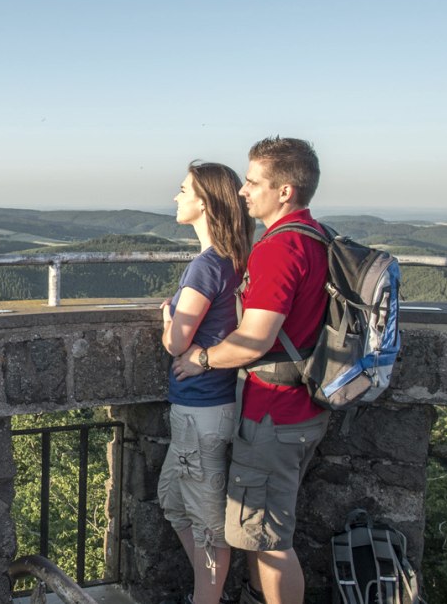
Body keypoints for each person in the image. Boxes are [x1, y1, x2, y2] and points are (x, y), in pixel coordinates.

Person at [171, 137, 328, 604]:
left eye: (254, 181)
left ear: (284, 191)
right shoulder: (317, 237)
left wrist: (199, 358)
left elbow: (255, 338)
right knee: (263, 536)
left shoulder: (279, 249)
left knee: (271, 542)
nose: (244, 191)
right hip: (303, 407)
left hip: (274, 414)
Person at [157, 160, 254, 604]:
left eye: (182, 190)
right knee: (173, 502)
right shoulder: (235, 259)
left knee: (208, 527)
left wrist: (166, 318)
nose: (175, 197)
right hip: (206, 410)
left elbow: (177, 343)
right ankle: (208, 591)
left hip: (201, 412)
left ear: (204, 203)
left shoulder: (206, 265)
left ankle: (207, 599)